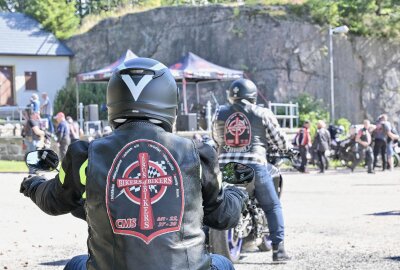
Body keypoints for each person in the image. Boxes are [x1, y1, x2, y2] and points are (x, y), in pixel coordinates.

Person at [19, 57, 248, 270]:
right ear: (169, 101)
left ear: (114, 101)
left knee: (76, 263)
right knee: (221, 262)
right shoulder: (197, 155)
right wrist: (239, 193)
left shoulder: (87, 155)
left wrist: (32, 183)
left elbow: (52, 201)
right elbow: (223, 216)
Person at [212, 78, 291, 262]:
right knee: (272, 206)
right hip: (254, 165)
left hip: (225, 166)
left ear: (231, 96)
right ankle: (278, 251)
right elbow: (280, 141)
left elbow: (216, 138)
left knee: (212, 200)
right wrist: (288, 150)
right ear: (253, 96)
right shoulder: (262, 112)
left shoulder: (220, 112)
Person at [22, 109, 45, 173]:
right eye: (36, 113)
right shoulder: (31, 121)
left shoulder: (34, 121)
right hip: (32, 141)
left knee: (33, 156)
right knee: (33, 156)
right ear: (32, 115)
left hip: (32, 141)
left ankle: (34, 170)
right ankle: (32, 171)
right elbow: (37, 131)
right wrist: (43, 132)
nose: (38, 115)